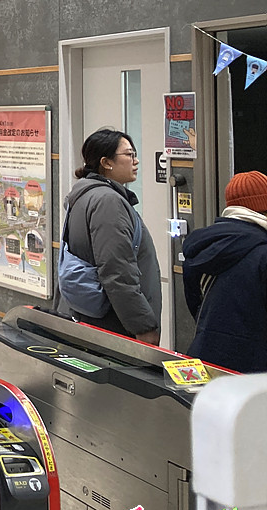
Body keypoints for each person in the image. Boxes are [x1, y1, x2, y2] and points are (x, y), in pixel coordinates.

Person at [55, 128, 161, 343]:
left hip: (92, 317)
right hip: (113, 322)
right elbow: (117, 271)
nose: (136, 161)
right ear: (106, 162)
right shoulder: (107, 201)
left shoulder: (86, 195)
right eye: (129, 154)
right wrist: (143, 326)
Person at [181, 171, 267, 372]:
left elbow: (196, 304)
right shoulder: (262, 252)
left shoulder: (205, 246)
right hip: (255, 369)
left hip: (205, 358)